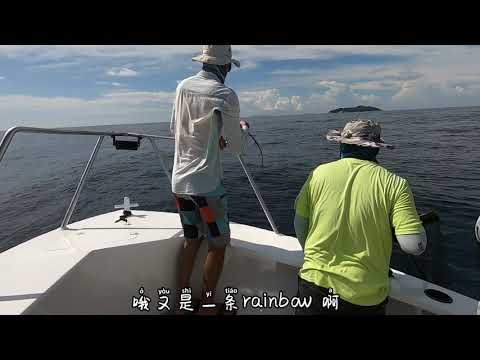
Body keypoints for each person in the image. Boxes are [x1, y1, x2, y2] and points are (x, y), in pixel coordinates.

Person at [293, 119, 427, 315]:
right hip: (363, 297)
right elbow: (413, 246)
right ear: (376, 148)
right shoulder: (396, 184)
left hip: (312, 284)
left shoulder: (318, 173)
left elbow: (299, 224)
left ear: (342, 143)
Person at [170, 45, 248, 314]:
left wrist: (215, 140)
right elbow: (237, 147)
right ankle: (205, 307)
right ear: (226, 67)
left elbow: (178, 129)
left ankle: (181, 305)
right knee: (217, 244)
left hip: (180, 184)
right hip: (207, 189)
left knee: (191, 240)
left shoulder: (182, 87)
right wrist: (241, 130)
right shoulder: (225, 94)